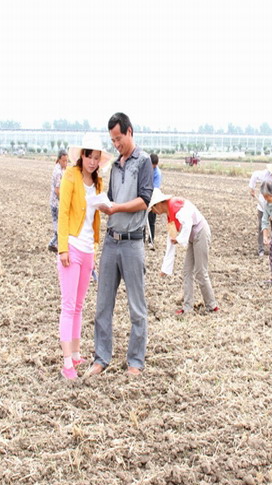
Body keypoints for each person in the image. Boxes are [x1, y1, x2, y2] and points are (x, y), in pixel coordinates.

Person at [88, 113, 154, 377]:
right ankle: (101, 358)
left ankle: (135, 361)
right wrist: (104, 205)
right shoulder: (114, 166)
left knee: (137, 307)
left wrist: (116, 208)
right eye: (113, 140)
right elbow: (111, 198)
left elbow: (145, 200)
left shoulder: (144, 161)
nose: (116, 144)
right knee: (103, 304)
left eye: (119, 138)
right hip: (111, 241)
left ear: (130, 132)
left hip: (132, 243)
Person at [55, 133, 113, 380]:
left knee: (79, 305)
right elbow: (63, 213)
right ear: (82, 156)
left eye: (97, 158)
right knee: (69, 306)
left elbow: (95, 215)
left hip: (89, 248)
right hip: (72, 246)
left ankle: (77, 354)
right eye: (89, 156)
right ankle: (67, 362)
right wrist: (63, 248)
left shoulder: (98, 183)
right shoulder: (70, 176)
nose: (92, 161)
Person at [148, 188, 219, 315]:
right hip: (193, 237)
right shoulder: (170, 214)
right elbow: (171, 240)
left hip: (200, 233)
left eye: (153, 208)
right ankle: (187, 307)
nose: (153, 212)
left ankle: (212, 305)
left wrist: (179, 239)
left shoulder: (177, 206)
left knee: (200, 272)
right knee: (187, 271)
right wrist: (165, 268)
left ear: (158, 204)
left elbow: (187, 223)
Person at [248, 160, 272, 256]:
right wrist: (252, 188)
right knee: (261, 227)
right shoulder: (265, 174)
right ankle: (261, 249)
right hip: (262, 206)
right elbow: (255, 175)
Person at [47, 150, 68, 252]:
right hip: (56, 203)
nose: (65, 163)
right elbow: (57, 190)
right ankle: (53, 243)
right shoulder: (58, 172)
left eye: (67, 161)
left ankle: (54, 244)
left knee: (59, 224)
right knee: (59, 225)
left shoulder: (61, 169)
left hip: (56, 202)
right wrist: (64, 201)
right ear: (59, 160)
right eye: (64, 161)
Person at [145, 153, 162, 249]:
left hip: (153, 198)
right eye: (152, 165)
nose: (153, 167)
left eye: (154, 166)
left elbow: (155, 189)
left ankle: (151, 240)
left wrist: (151, 203)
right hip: (143, 197)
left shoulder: (157, 173)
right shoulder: (145, 168)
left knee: (151, 221)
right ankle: (141, 239)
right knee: (142, 220)